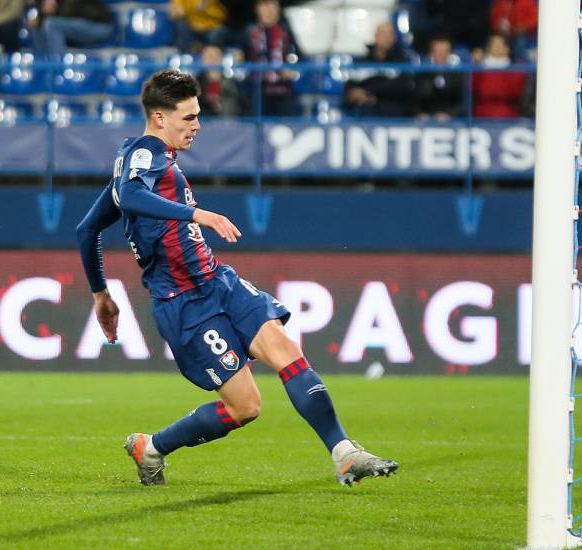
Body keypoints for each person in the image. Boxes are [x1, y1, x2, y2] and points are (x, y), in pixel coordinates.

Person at [75, 69, 399, 487]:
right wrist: (200, 214)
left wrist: (101, 294)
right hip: (183, 302)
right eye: (188, 117)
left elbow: (88, 229)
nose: (197, 125)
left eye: (197, 116)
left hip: (217, 281)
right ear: (160, 118)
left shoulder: (149, 162)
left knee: (285, 349)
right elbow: (133, 196)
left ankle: (344, 453)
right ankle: (151, 447)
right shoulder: (144, 152)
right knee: (245, 407)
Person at [344, 21, 414, 118]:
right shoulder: (361, 62)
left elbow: (402, 87)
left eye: (389, 34)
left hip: (393, 116)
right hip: (364, 115)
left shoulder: (402, 62)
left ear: (394, 38)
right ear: (375, 36)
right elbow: (349, 88)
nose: (386, 38)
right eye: (382, 33)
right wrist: (353, 94)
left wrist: (369, 92)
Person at [244, 0, 301, 116]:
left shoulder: (287, 31)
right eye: (264, 5)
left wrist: (292, 71)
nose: (268, 10)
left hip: (283, 89)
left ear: (278, 8)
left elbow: (300, 58)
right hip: (257, 90)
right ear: (257, 8)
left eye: (272, 4)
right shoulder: (249, 32)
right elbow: (242, 59)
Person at [29, 0, 113, 58]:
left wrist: (46, 14)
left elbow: (67, 14)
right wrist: (42, 16)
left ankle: (59, 68)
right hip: (79, 27)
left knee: (51, 24)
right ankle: (43, 69)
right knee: (37, 25)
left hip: (99, 26)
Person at [471, 33, 526, 119]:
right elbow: (472, 89)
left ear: (507, 48)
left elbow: (515, 93)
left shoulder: (517, 68)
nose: (496, 47)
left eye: (499, 44)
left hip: (508, 116)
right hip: (481, 116)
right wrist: (476, 65)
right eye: (493, 44)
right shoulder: (479, 67)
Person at [414, 33, 464, 120]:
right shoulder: (422, 73)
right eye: (438, 51)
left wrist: (450, 115)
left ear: (450, 53)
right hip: (425, 121)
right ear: (431, 53)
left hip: (451, 121)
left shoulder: (457, 75)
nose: (441, 54)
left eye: (445, 51)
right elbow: (415, 100)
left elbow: (462, 102)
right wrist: (420, 114)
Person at [196, 44, 244, 117]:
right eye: (209, 56)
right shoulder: (196, 83)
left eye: (216, 56)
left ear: (221, 59)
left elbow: (239, 107)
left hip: (228, 124)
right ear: (203, 60)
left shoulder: (231, 82)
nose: (212, 60)